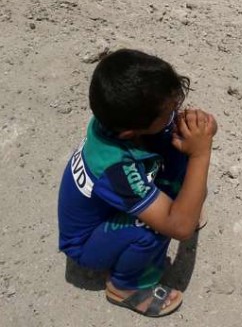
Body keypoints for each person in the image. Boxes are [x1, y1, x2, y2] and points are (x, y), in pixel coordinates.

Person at [57, 49, 217, 318]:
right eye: (169, 112)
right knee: (154, 226)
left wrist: (200, 128)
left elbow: (183, 130)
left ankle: (173, 205)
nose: (176, 112)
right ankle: (126, 286)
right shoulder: (114, 167)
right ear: (130, 133)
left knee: (176, 144)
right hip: (86, 242)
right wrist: (201, 153)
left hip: (111, 210)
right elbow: (180, 228)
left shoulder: (117, 117)